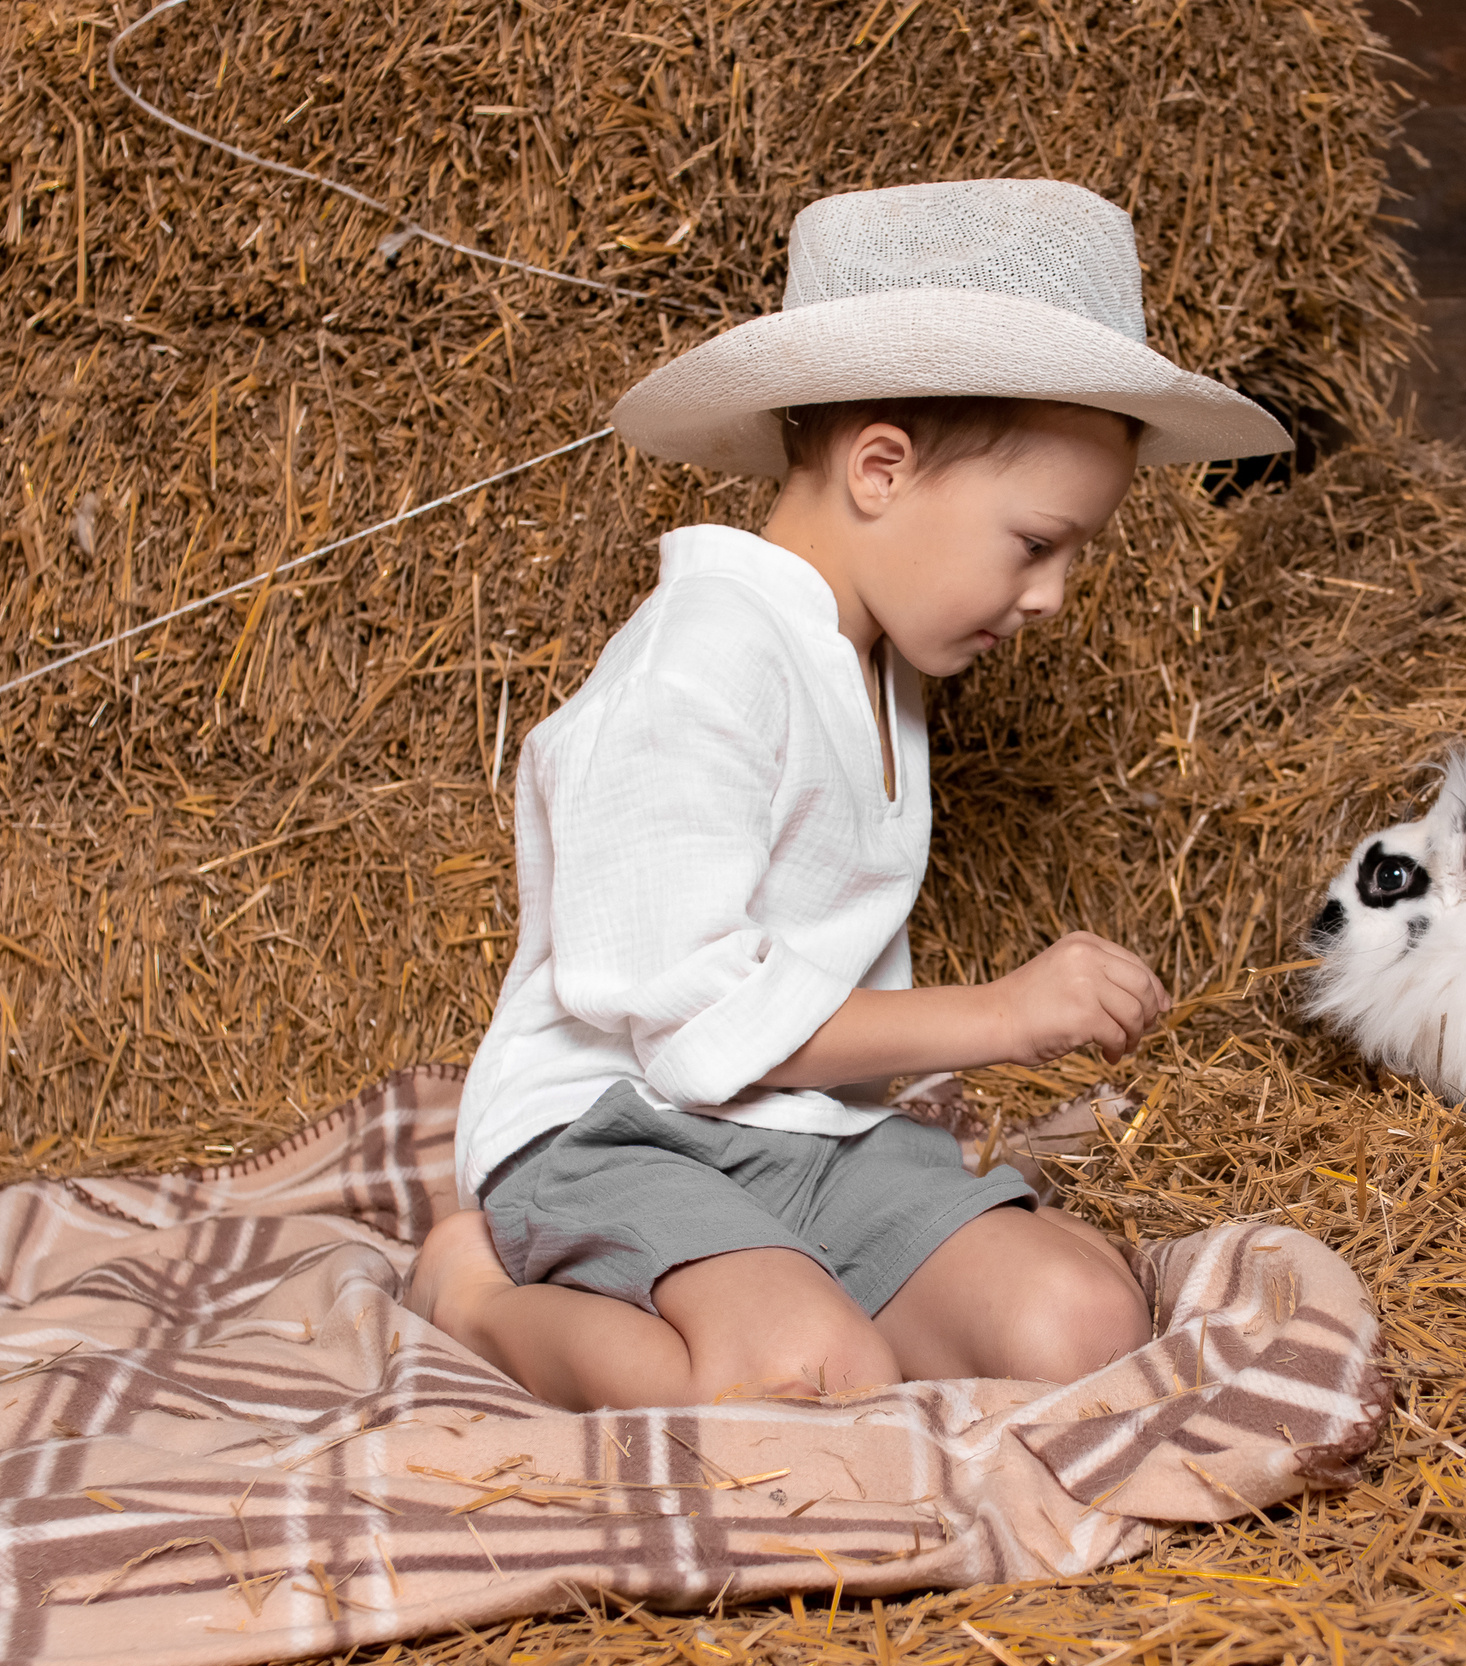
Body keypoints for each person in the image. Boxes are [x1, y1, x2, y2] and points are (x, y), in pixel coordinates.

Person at [405, 180, 1290, 1411]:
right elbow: (696, 1030)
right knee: (801, 1380)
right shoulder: (700, 660)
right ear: (881, 468)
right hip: (619, 1129)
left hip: (810, 1130)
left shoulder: (873, 661)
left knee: (1081, 1323)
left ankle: (796, 1277)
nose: (1053, 598)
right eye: (1037, 544)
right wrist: (1001, 1015)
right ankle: (480, 1295)